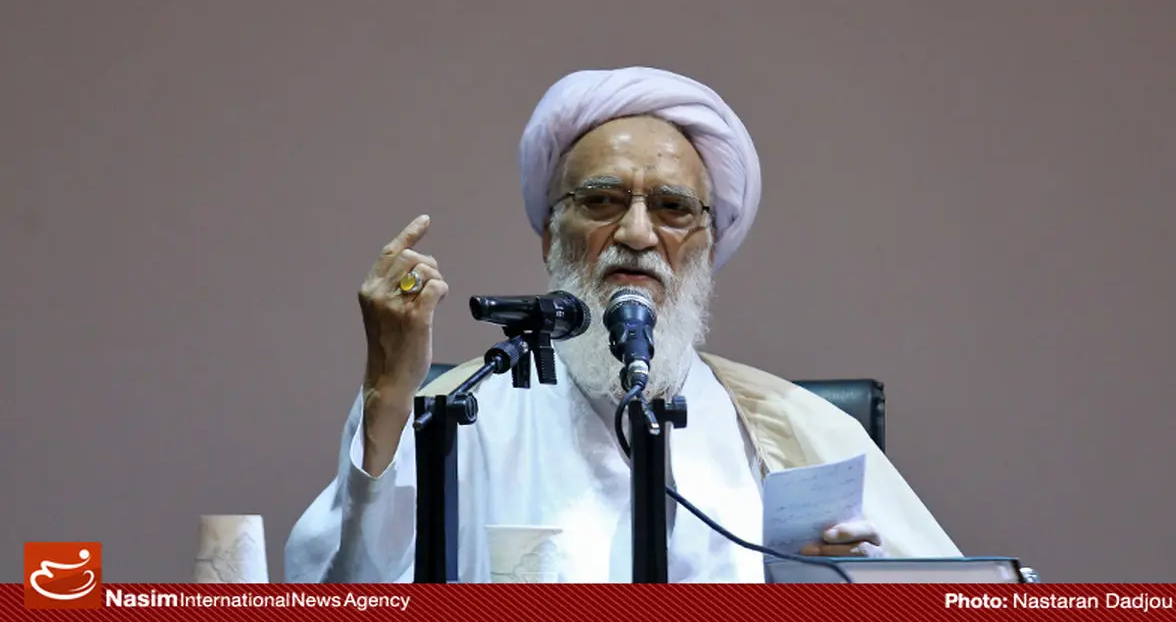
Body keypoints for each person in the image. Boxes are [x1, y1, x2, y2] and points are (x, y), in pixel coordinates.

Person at [284, 66, 960, 583]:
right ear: (550, 234)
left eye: (672, 208)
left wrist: (850, 591)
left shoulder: (797, 434)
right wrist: (387, 390)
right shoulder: (455, 417)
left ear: (709, 247)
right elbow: (343, 591)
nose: (636, 234)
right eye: (602, 200)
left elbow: (958, 598)